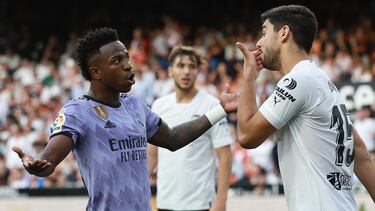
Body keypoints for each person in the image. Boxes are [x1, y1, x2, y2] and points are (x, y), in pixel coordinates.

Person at [11, 27, 238, 211]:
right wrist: (38, 165)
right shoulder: (77, 111)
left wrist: (220, 109)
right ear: (96, 72)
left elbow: (174, 138)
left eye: (127, 58)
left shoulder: (135, 105)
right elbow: (49, 160)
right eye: (117, 61)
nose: (128, 65)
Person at [235, 5, 375, 211]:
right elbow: (360, 151)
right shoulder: (322, 81)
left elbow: (247, 136)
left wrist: (248, 78)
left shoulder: (299, 80)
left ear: (284, 33)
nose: (258, 42)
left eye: (264, 32)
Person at [148, 46, 233, 211]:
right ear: (170, 70)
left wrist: (221, 201)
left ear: (198, 71)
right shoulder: (159, 105)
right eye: (181, 65)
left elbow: (225, 156)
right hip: (164, 202)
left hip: (200, 203)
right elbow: (152, 153)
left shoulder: (212, 105)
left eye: (192, 66)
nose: (186, 71)